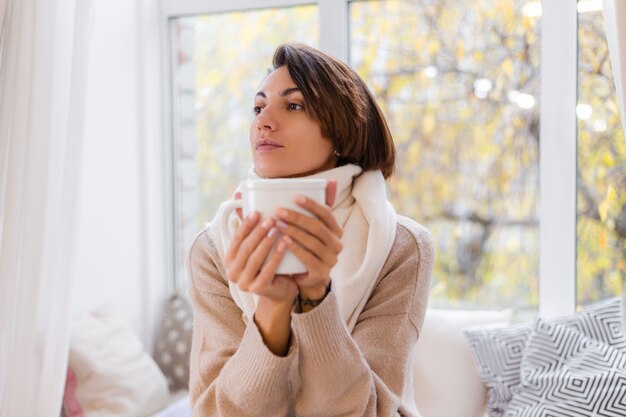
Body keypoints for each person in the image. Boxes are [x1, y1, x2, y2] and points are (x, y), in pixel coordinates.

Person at [187, 42, 434, 417]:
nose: (263, 122)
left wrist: (316, 298)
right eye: (258, 107)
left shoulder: (402, 246)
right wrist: (271, 307)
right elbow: (215, 411)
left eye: (294, 105)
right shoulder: (213, 249)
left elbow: (367, 411)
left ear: (341, 129)